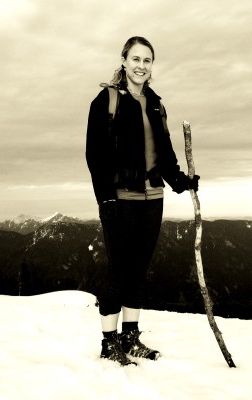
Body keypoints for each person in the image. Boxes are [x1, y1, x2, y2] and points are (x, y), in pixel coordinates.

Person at [85, 36, 199, 366]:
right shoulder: (106, 101)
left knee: (138, 269)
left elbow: (164, 154)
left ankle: (130, 337)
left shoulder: (156, 104)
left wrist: (181, 181)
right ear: (123, 61)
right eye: (135, 59)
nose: (141, 66)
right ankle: (109, 343)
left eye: (147, 60)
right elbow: (95, 155)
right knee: (119, 269)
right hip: (120, 197)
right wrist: (105, 199)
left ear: (152, 66)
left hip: (153, 197)